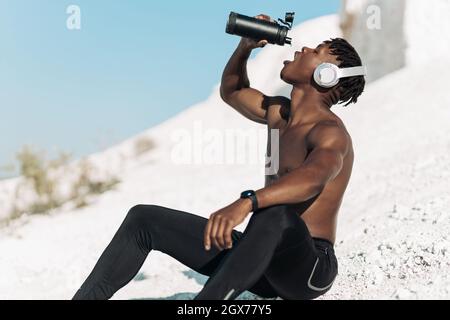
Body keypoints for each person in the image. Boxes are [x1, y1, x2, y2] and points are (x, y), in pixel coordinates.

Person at [72, 14, 365, 300]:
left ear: (326, 76)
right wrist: (244, 48)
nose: (302, 49)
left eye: (315, 52)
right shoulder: (279, 113)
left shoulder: (330, 132)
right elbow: (233, 91)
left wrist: (247, 201)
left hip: (307, 269)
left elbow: (312, 179)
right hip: (262, 259)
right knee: (143, 219)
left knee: (275, 212)